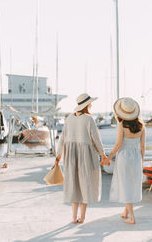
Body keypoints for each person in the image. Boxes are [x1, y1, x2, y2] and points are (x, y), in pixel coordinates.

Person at [55, 93, 108, 224]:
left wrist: (58, 155)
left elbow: (62, 139)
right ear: (86, 105)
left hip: (70, 156)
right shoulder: (88, 119)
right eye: (90, 103)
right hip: (85, 156)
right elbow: (96, 138)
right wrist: (102, 153)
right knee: (85, 185)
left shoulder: (68, 119)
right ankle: (82, 217)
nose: (91, 104)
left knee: (74, 185)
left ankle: (73, 218)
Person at [107, 97, 145, 224]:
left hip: (124, 157)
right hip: (136, 157)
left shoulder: (122, 125)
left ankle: (132, 217)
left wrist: (109, 156)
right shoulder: (141, 125)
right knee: (132, 184)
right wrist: (142, 160)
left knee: (125, 185)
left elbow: (118, 144)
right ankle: (126, 212)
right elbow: (143, 146)